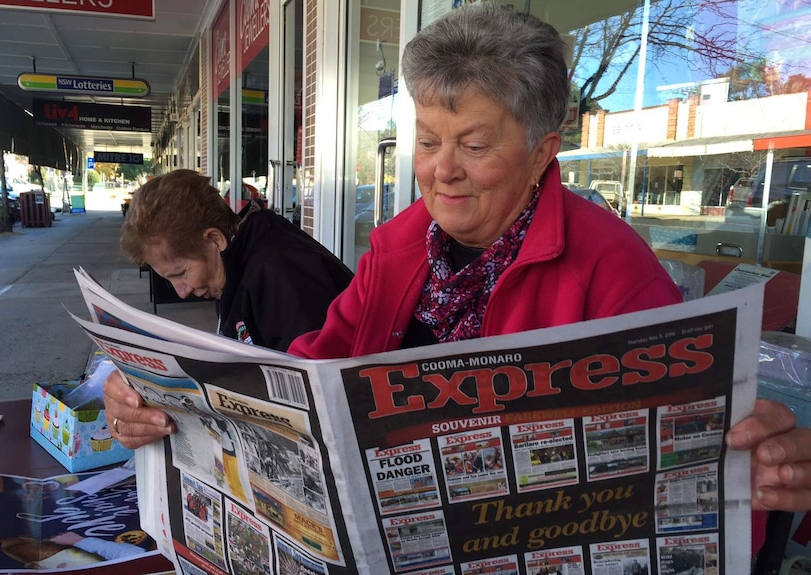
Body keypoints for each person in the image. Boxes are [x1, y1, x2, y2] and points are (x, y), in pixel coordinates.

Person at [104, 1, 811, 550]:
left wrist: (763, 459)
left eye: (474, 145)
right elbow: (306, 373)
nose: (442, 171)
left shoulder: (614, 267)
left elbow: (702, 463)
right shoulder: (399, 246)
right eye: (428, 141)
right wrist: (162, 390)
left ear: (543, 153)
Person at [118, 169, 353, 349]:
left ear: (215, 240)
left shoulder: (281, 272)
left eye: (181, 273)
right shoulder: (234, 265)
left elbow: (316, 387)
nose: (182, 292)